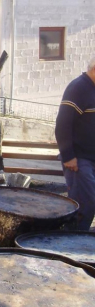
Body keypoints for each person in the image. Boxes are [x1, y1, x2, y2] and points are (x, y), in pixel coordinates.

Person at [55, 57, 95, 230]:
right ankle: (73, 243)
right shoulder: (78, 87)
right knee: (85, 204)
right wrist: (68, 156)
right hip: (79, 159)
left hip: (91, 157)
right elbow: (62, 125)